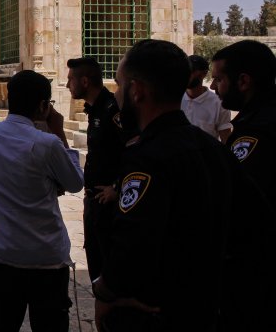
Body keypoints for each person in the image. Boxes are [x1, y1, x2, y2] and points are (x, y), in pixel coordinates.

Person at [92, 40, 235, 331]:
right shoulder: (213, 149)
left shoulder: (147, 158)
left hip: (155, 312)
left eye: (119, 85)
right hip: (201, 306)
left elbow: (133, 243)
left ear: (137, 90)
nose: (117, 94)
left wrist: (105, 292)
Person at [0, 70, 83, 332]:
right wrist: (59, 131)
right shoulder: (47, 143)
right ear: (43, 105)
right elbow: (75, 182)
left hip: (4, 253)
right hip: (46, 257)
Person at [210, 40, 276, 331]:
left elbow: (241, 199)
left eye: (219, 79)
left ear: (244, 81)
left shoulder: (257, 131)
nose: (214, 87)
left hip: (255, 270)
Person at [65, 57, 127, 282]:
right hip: (93, 202)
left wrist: (117, 187)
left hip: (108, 205)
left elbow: (134, 152)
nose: (67, 85)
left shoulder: (112, 110)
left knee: (109, 271)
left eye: (71, 79)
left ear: (85, 81)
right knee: (95, 266)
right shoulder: (94, 110)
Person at [182, 54, 232, 142]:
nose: (186, 74)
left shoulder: (219, 104)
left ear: (204, 74)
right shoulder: (174, 99)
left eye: (191, 70)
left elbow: (226, 140)